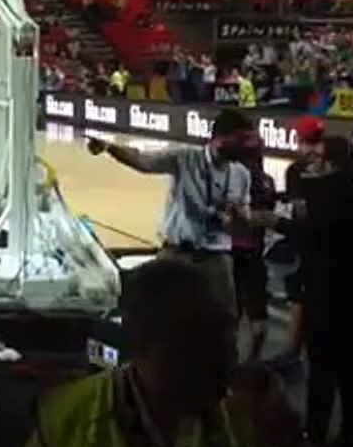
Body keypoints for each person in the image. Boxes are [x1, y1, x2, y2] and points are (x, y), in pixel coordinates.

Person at [9, 258, 353, 447]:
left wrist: (290, 441)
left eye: (228, 331)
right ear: (151, 344)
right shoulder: (65, 421)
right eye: (206, 334)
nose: (230, 351)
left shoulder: (251, 415)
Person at [255, 136, 353, 447]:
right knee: (351, 368)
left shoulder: (335, 193)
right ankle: (352, 438)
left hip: (332, 292)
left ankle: (315, 435)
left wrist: (275, 222)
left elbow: (316, 233)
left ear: (332, 163)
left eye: (320, 159)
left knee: (324, 366)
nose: (313, 164)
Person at [87, 108, 254, 316]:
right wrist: (109, 147)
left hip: (216, 259)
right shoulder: (185, 157)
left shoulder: (242, 174)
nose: (249, 145)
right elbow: (143, 161)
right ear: (221, 136)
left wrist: (238, 219)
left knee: (225, 320)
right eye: (242, 139)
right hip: (177, 254)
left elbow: (240, 227)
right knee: (159, 317)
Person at [278, 116, 325, 364]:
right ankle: (296, 352)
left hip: (314, 244)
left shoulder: (299, 171)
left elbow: (300, 211)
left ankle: (295, 353)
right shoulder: (299, 171)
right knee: (302, 298)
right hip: (314, 244)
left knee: (302, 297)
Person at [233, 131, 276, 362]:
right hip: (254, 252)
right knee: (258, 313)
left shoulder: (231, 177)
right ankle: (254, 361)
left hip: (230, 252)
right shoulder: (267, 181)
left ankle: (229, 361)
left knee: (231, 312)